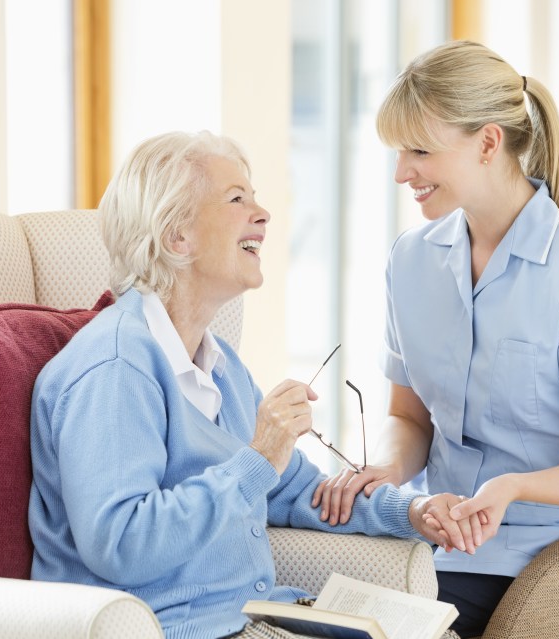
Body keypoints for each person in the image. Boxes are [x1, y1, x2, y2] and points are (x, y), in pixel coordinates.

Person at [28, 131, 469, 639]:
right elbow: (123, 544)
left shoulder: (221, 367)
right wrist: (258, 458)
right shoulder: (116, 367)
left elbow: (299, 491)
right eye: (237, 199)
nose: (263, 214)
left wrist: (411, 511)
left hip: (247, 617)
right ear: (177, 236)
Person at [312, 40, 559, 637]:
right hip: (439, 543)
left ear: (489, 143)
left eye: (419, 150)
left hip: (547, 558)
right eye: (396, 150)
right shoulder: (411, 261)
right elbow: (409, 418)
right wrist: (384, 469)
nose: (400, 173)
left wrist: (511, 488)